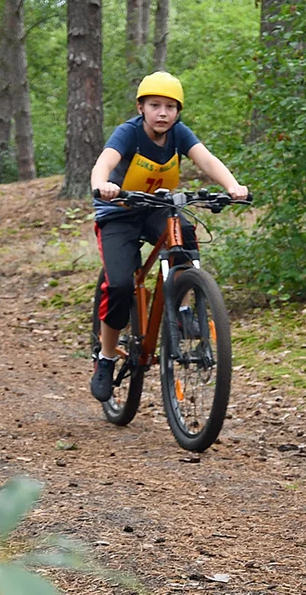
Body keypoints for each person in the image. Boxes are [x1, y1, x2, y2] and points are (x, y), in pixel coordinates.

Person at [88, 71, 248, 402]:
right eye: (155, 105)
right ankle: (105, 357)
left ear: (178, 112)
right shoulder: (128, 134)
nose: (163, 113)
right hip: (118, 211)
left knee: (185, 234)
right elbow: (104, 162)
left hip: (156, 208)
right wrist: (103, 184)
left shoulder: (178, 134)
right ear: (141, 107)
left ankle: (184, 307)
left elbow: (205, 159)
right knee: (119, 286)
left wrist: (232, 186)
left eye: (170, 107)